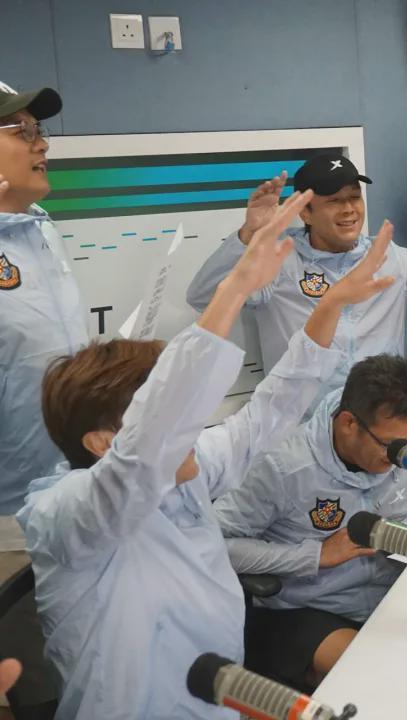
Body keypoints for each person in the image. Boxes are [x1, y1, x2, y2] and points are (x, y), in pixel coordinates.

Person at [17, 189, 395, 719]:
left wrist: (329, 305)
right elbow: (145, 455)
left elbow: (272, 410)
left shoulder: (188, 473)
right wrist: (235, 289)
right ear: (102, 443)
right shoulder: (66, 512)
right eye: (171, 416)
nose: (190, 427)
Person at [214, 355, 407, 691]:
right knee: (379, 677)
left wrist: (406, 532)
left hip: (395, 593)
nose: (401, 456)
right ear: (349, 423)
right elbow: (215, 544)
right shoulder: (282, 466)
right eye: (390, 446)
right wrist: (315, 555)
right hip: (308, 608)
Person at [188, 151, 407, 412]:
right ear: (305, 212)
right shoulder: (280, 259)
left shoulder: (388, 256)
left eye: (354, 197)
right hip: (300, 429)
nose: (349, 209)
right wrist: (249, 234)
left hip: (379, 423)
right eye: (334, 201)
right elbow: (203, 297)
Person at [0, 80, 86, 718]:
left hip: (66, 496)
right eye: (21, 131)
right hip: (6, 523)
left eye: (39, 130)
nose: (42, 144)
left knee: (78, 676)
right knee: (31, 692)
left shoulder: (40, 230)